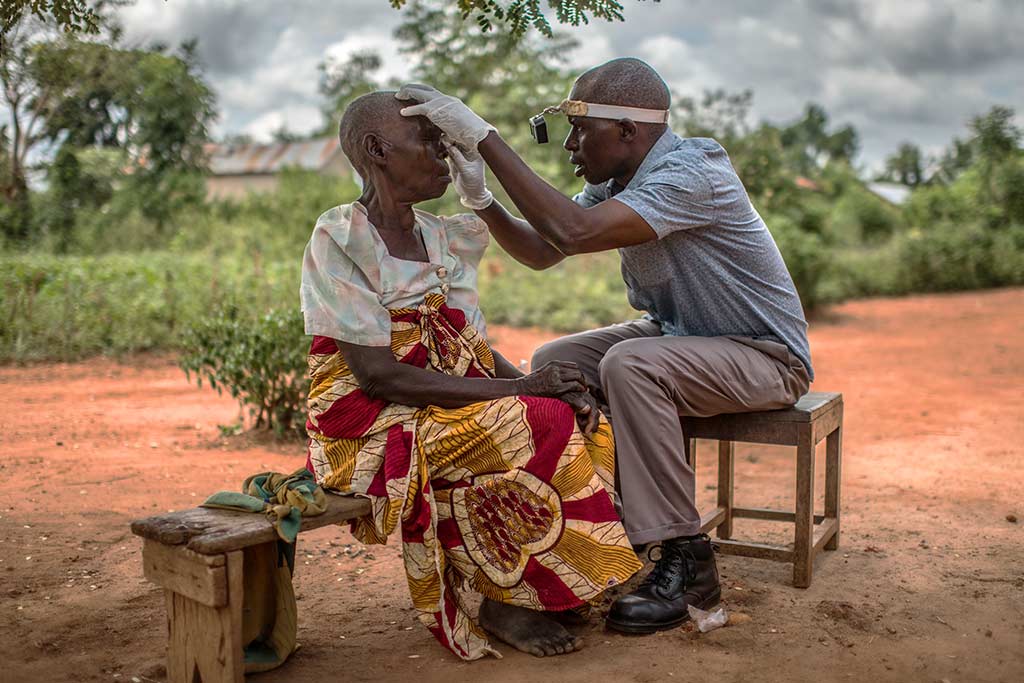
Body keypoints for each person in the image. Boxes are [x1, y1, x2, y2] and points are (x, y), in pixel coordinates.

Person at [397, 57, 813, 634]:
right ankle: (602, 525)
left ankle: (685, 559)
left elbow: (573, 231)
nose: (569, 145)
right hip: (683, 339)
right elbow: (546, 250)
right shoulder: (616, 184)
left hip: (765, 356)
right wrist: (482, 200)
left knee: (631, 365)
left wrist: (486, 137)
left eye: (579, 128)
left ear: (627, 131)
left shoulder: (694, 171)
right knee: (554, 361)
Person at [299, 91, 641, 661]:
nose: (444, 156)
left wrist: (546, 381)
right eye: (431, 143)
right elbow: (379, 376)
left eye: (447, 142)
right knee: (529, 420)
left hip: (438, 403)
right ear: (377, 150)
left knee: (580, 415)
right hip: (369, 425)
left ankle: (553, 584)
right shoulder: (340, 238)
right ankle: (508, 598)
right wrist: (523, 389)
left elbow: (468, 347)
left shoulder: (442, 237)